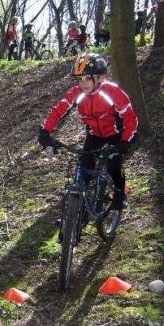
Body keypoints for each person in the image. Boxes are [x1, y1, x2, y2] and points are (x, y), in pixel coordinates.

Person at [37, 53, 138, 217]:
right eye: (79, 79)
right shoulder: (77, 92)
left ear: (100, 77)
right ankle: (79, 212)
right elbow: (58, 110)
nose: (83, 83)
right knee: (84, 170)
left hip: (115, 135)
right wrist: (45, 131)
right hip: (94, 135)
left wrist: (125, 141)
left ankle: (120, 193)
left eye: (87, 78)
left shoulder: (112, 92)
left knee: (113, 166)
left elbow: (130, 118)